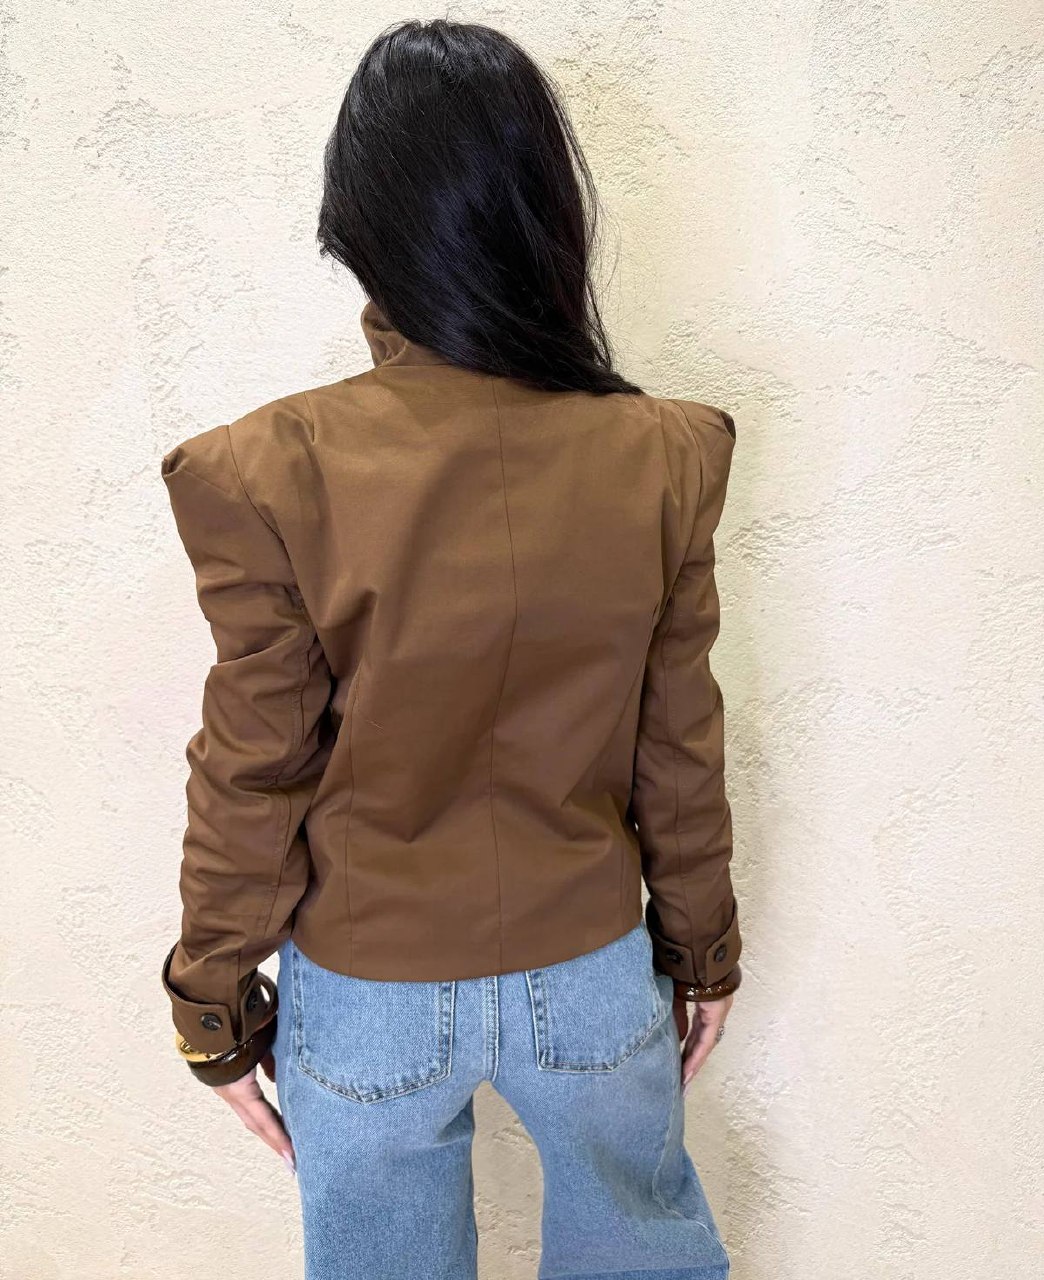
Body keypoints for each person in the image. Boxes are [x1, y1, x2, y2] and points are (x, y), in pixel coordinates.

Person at [159, 17, 742, 1280]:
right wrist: (703, 951)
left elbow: (255, 764)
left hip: (366, 989)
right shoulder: (665, 454)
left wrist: (212, 1000)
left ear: (361, 227)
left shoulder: (263, 470)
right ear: (546, 212)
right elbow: (679, 745)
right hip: (591, 972)